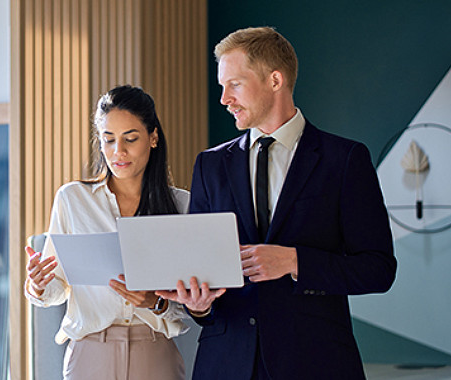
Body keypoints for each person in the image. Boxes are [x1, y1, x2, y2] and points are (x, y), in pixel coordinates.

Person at [157, 27, 397, 380]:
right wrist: (200, 305)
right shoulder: (210, 164)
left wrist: (294, 261)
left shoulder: (344, 160)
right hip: (226, 364)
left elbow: (379, 269)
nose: (224, 98)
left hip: (317, 363)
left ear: (275, 80)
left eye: (234, 85)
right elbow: (202, 275)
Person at [24, 85, 190, 380]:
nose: (119, 152)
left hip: (154, 354)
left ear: (153, 138)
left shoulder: (182, 205)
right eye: (108, 139)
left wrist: (154, 301)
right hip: (90, 354)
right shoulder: (73, 200)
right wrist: (37, 284)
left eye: (130, 138)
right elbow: (56, 289)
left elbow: (192, 300)